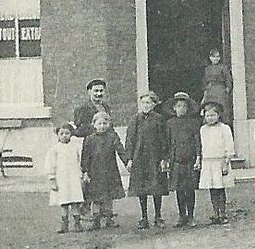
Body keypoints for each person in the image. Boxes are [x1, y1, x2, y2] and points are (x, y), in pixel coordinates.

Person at [122, 91, 170, 230]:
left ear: (154, 104)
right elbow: (130, 140)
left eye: (148, 102)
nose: (145, 105)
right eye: (143, 102)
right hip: (140, 158)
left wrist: (164, 158)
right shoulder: (135, 119)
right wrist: (129, 159)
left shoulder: (159, 119)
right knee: (141, 189)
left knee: (156, 188)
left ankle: (158, 216)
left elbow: (164, 140)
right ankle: (144, 217)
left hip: (155, 157)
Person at [80, 108, 125, 229]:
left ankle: (109, 219)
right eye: (99, 123)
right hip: (94, 172)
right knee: (95, 197)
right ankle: (96, 220)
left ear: (109, 124)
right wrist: (85, 172)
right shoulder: (89, 139)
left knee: (108, 197)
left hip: (109, 171)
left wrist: (127, 162)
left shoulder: (112, 137)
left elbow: (120, 150)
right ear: (94, 125)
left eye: (105, 123)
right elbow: (85, 157)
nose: (102, 126)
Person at [165, 92, 202, 227]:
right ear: (174, 108)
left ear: (188, 108)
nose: (181, 109)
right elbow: (167, 142)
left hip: (190, 161)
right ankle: (182, 216)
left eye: (184, 106)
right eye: (178, 106)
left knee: (190, 189)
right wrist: (167, 159)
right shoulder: (169, 123)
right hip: (176, 161)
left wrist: (198, 158)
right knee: (179, 190)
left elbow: (197, 141)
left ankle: (191, 216)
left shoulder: (193, 123)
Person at [197, 100, 236, 225]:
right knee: (212, 189)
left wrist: (226, 161)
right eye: (208, 116)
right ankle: (215, 213)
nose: (210, 118)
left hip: (220, 161)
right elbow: (202, 146)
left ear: (218, 115)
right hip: (208, 162)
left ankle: (223, 213)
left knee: (220, 188)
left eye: (213, 115)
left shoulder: (224, 128)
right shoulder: (203, 129)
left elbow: (229, 145)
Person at [45, 122, 84, 233]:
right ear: (57, 134)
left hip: (74, 178)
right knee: (64, 203)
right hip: (62, 179)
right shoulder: (54, 149)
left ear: (71, 134)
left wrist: (81, 175)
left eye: (67, 133)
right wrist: (52, 180)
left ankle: (77, 223)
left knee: (75, 202)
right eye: (61, 133)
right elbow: (50, 165)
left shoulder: (75, 147)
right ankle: (64, 225)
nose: (64, 136)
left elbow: (80, 161)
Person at [201, 49, 234, 123]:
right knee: (210, 106)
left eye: (217, 57)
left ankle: (223, 122)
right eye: (214, 57)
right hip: (210, 91)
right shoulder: (207, 69)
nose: (216, 58)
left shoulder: (223, 67)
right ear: (210, 58)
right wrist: (206, 90)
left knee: (221, 106)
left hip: (220, 90)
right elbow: (204, 81)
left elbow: (228, 79)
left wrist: (227, 89)